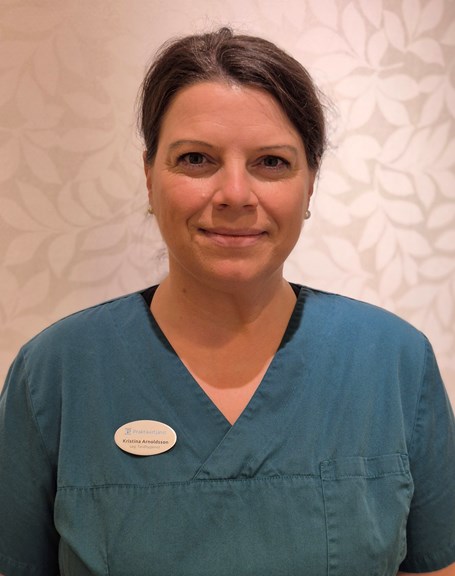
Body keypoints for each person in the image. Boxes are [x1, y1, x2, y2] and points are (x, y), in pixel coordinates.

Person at [0, 27, 454, 576]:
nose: (235, 194)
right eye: (196, 158)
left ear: (310, 184)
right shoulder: (54, 375)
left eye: (271, 162)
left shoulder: (394, 362)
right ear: (149, 177)